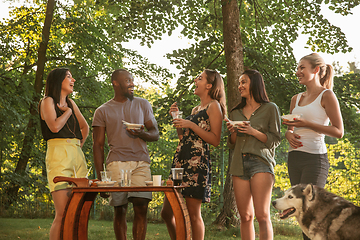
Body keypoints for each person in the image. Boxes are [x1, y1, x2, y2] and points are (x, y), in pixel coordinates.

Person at [92, 69, 159, 240]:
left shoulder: (143, 104)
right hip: (116, 164)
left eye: (132, 80)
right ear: (115, 83)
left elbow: (155, 133)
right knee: (120, 209)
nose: (132, 84)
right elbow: (98, 146)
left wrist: (141, 134)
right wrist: (101, 179)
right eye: (128, 80)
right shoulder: (102, 111)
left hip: (141, 163)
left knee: (141, 206)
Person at [283, 53, 344, 240]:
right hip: (294, 158)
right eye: (298, 67)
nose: (298, 72)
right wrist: (288, 134)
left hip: (314, 159)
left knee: (312, 213)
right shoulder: (296, 98)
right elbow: (290, 128)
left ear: (316, 70)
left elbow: (338, 131)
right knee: (301, 214)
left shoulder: (327, 95)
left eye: (302, 68)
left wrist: (308, 124)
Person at [161, 69, 226, 240]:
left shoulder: (214, 106)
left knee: (192, 213)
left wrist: (191, 124)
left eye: (200, 78)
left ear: (209, 85)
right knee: (167, 213)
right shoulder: (196, 108)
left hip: (197, 163)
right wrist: (177, 119)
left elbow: (215, 139)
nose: (195, 80)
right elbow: (184, 137)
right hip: (180, 161)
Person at [226, 69, 281, 240]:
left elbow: (275, 140)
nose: (239, 86)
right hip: (238, 164)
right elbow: (232, 144)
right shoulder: (235, 112)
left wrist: (252, 131)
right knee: (245, 216)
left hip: (261, 162)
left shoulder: (270, 109)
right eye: (239, 82)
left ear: (254, 84)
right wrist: (232, 131)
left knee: (262, 215)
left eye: (243, 82)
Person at [38, 68, 89, 240]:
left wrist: (77, 146)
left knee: (78, 212)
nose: (73, 79)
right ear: (58, 80)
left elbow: (85, 127)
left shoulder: (72, 103)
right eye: (68, 77)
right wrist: (67, 111)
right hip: (58, 155)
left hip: (76, 156)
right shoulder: (47, 101)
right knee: (63, 212)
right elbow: (54, 127)